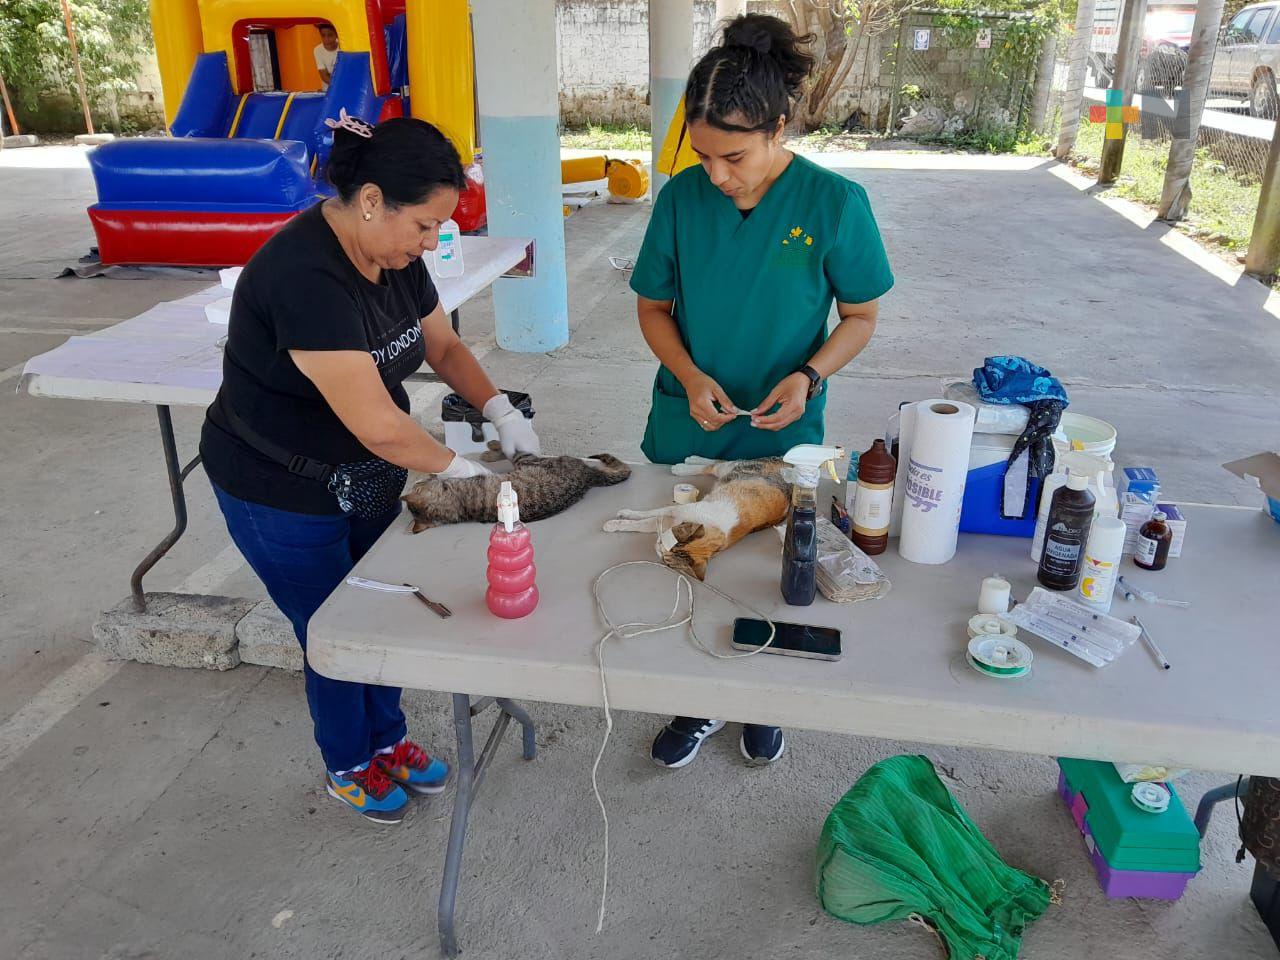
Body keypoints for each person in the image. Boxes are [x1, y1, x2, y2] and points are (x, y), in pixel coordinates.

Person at [200, 113, 540, 824]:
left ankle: (388, 738)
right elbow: (384, 428)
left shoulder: (394, 256)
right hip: (278, 484)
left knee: (382, 606)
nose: (430, 244)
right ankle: (348, 760)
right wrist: (466, 472)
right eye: (423, 226)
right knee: (331, 628)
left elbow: (443, 348)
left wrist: (501, 410)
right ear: (370, 200)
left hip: (361, 473)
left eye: (437, 230)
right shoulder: (304, 276)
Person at [629, 14, 894, 770]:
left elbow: (861, 315)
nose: (716, 174)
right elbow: (652, 307)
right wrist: (688, 375)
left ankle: (761, 695)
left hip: (785, 432)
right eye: (702, 154)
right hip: (690, 425)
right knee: (688, 561)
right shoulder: (682, 200)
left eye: (734, 156)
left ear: (781, 126)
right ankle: (697, 698)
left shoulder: (833, 204)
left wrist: (809, 374)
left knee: (776, 576)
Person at [314, 22, 340, 91]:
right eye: (323, 35)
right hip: (329, 89)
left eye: (330, 35)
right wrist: (340, 86)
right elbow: (324, 76)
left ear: (336, 35)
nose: (326, 39)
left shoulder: (343, 46)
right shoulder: (318, 50)